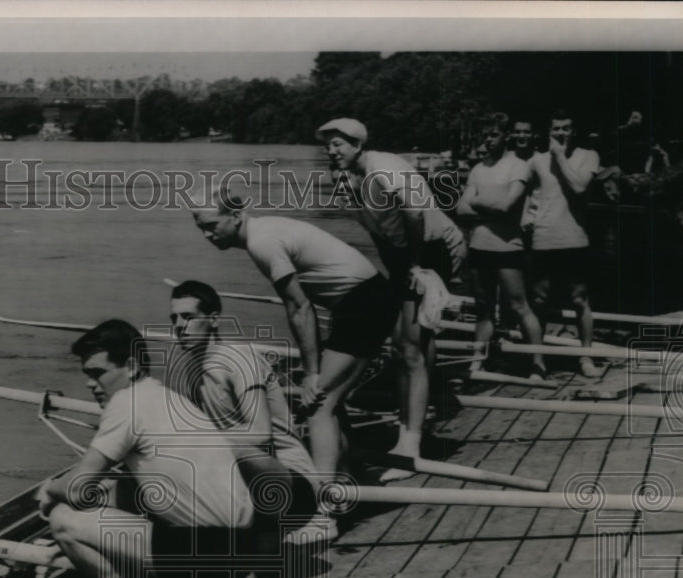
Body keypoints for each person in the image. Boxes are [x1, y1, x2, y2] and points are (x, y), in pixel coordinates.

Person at [38, 319, 255, 578]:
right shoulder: (169, 397)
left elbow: (78, 490)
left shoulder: (126, 404)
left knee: (64, 519)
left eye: (98, 373)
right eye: (87, 375)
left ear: (132, 366)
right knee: (129, 489)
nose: (90, 384)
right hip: (244, 548)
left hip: (209, 551)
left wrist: (50, 491)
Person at [190, 195, 400, 505]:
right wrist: (312, 370)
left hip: (363, 304)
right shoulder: (263, 231)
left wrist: (311, 373)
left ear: (235, 215)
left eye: (212, 226)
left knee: (318, 403)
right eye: (201, 230)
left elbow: (299, 308)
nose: (208, 236)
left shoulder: (262, 242)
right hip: (364, 301)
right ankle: (348, 476)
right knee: (331, 400)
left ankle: (324, 503)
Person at [316, 118, 465, 481]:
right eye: (329, 145)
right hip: (407, 255)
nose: (331, 151)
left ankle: (411, 443)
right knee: (404, 346)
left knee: (410, 347)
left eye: (338, 144)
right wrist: (399, 271)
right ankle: (417, 420)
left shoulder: (383, 169)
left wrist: (415, 266)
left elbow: (415, 217)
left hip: (433, 247)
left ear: (357, 145)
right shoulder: (350, 181)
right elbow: (381, 233)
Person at [167, 279, 322, 544]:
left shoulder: (239, 359)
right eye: (174, 318)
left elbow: (261, 434)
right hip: (247, 483)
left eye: (188, 317)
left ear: (213, 320)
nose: (180, 326)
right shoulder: (194, 371)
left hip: (292, 481)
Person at [456, 114, 547, 379]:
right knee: (483, 308)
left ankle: (537, 364)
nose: (488, 140)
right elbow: (461, 208)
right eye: (485, 136)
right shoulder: (478, 169)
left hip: (508, 248)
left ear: (505, 137)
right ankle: (477, 360)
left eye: (493, 135)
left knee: (520, 307)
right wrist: (491, 211)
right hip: (479, 247)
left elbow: (509, 206)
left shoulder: (518, 166)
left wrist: (479, 204)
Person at [526, 109, 603, 377]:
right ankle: (537, 361)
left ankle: (586, 358)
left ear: (574, 131)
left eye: (566, 128)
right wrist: (527, 212)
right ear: (549, 131)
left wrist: (558, 156)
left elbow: (579, 187)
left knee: (580, 299)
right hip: (543, 238)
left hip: (575, 238)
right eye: (556, 128)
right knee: (538, 300)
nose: (561, 133)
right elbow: (524, 191)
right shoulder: (536, 160)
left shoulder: (588, 156)